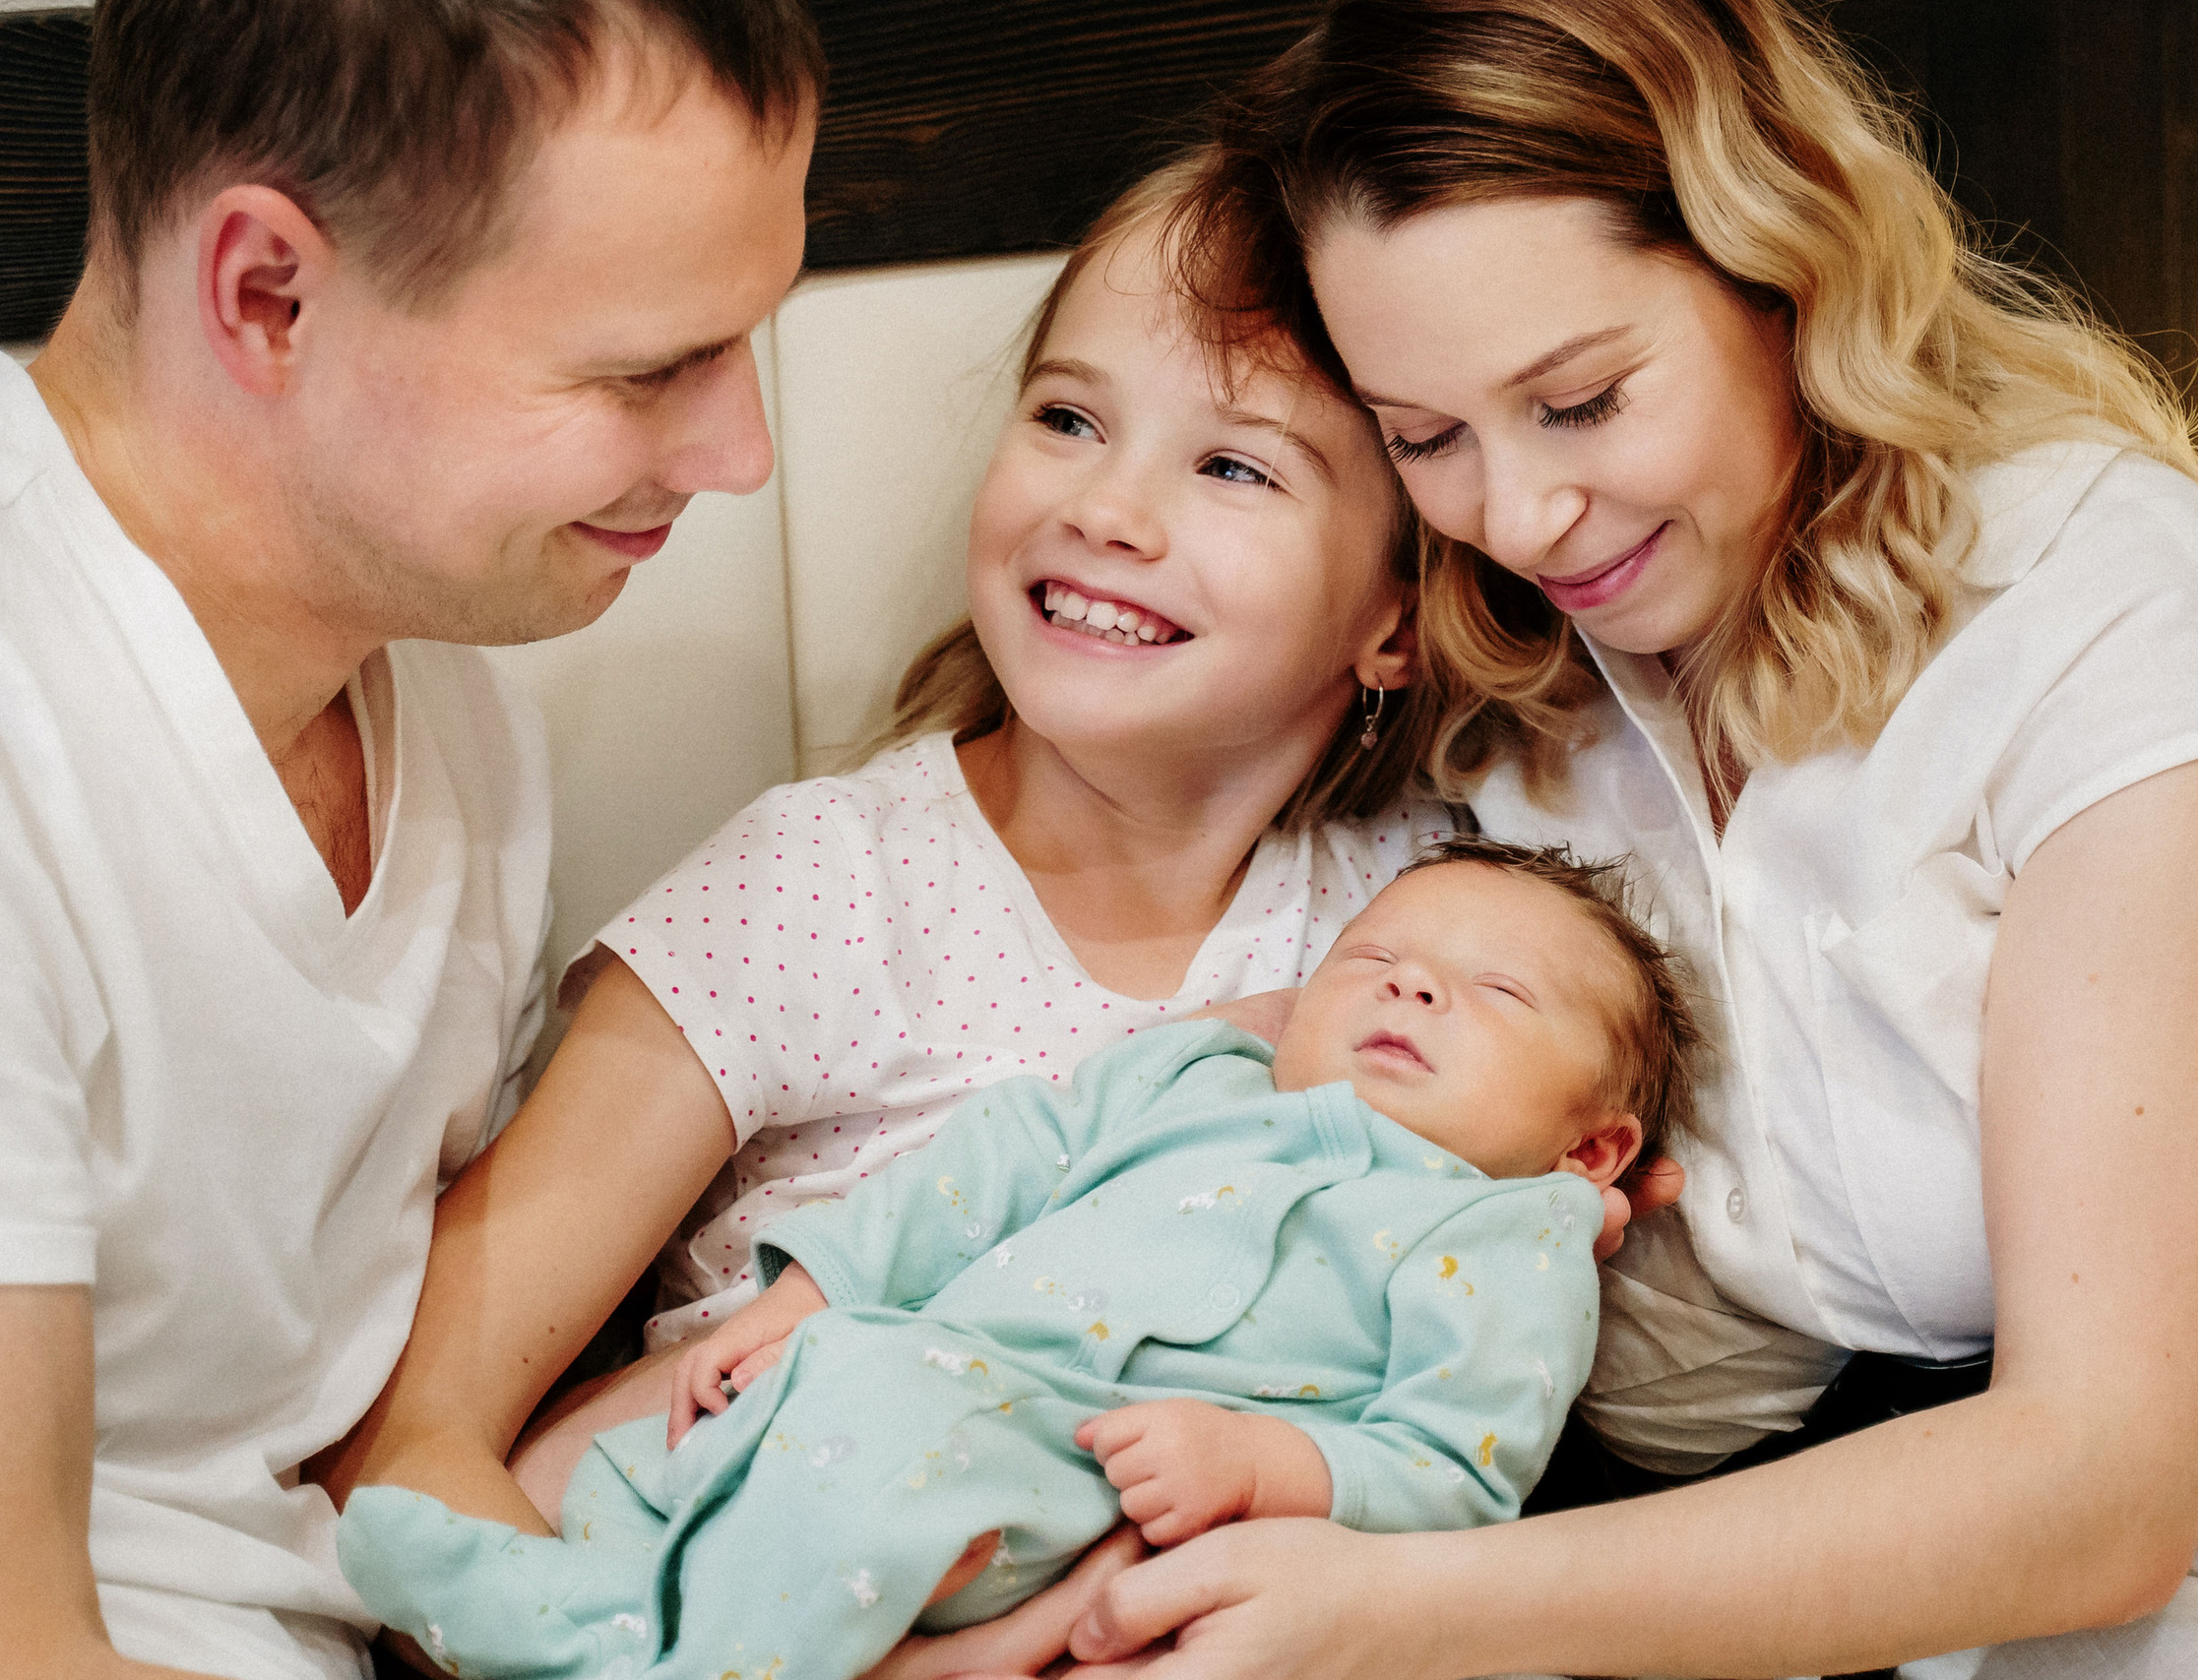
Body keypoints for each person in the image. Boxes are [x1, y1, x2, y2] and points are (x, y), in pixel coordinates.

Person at [1007, 3, 2198, 1677]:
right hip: (1871, 1565)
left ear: (1784, 273)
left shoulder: (2105, 617)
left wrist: (1396, 1612)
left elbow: (2103, 1491)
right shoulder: (1521, 668)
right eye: (1425, 436)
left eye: (1582, 400)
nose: (1520, 516)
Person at [321, 152, 1672, 1679]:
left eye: (1235, 469)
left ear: (1396, 616)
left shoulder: (1436, 922)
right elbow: (405, 1450)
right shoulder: (817, 890)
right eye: (1068, 419)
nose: (1108, 508)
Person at [0, 4, 822, 1677]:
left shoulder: (454, 709)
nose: (741, 453)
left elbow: (376, 1461)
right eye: (649, 368)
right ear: (267, 295)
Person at [332, 841, 1694, 1680]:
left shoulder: (1510, 1237)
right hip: (920, 1380)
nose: (1410, 984)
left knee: (868, 1443)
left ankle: (648, 1654)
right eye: (1373, 956)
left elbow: (1459, 1471)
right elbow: (982, 1172)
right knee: (724, 1440)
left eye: (1497, 992)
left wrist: (1261, 1463)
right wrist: (809, 1295)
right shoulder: (1197, 1077)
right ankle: (613, 1613)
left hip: (1088, 1481)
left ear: (1593, 1147)